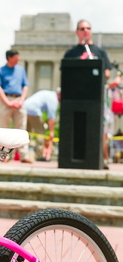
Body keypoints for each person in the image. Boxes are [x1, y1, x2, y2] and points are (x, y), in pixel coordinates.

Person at [63, 19, 120, 169]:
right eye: (82, 28)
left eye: (88, 28)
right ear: (77, 32)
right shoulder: (71, 53)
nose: (85, 31)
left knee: (99, 130)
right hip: (75, 99)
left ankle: (101, 158)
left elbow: (107, 73)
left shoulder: (99, 52)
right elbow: (66, 73)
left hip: (96, 99)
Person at [0, 49, 31, 163]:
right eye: (16, 57)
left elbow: (25, 86)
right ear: (9, 58)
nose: (18, 59)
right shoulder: (0, 71)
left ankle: (24, 155)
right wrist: (7, 102)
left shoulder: (21, 70)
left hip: (19, 99)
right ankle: (4, 155)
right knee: (4, 128)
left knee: (21, 128)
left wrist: (22, 100)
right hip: (6, 99)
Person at [24, 89, 60, 161]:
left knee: (26, 133)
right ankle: (40, 155)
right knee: (41, 133)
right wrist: (51, 132)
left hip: (25, 107)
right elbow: (51, 118)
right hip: (34, 111)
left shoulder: (49, 94)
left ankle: (23, 154)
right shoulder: (54, 100)